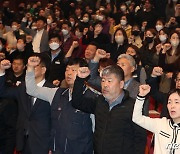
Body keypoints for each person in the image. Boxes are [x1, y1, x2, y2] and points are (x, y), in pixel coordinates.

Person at [25, 57, 98, 154]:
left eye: (73, 70)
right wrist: (30, 68)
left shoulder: (92, 98)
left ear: (84, 73)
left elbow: (96, 130)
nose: (69, 73)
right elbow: (31, 90)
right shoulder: (56, 93)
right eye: (67, 70)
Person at [71, 65, 146, 154]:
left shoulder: (134, 107)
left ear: (121, 84)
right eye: (103, 80)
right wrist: (80, 79)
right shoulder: (99, 102)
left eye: (109, 81)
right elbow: (77, 102)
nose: (105, 85)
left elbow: (140, 140)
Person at [0, 54, 54, 154]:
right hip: (22, 141)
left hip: (42, 142)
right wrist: (2, 71)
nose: (30, 68)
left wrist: (52, 145)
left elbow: (55, 120)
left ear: (43, 70)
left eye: (34, 65)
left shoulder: (52, 90)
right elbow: (2, 92)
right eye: (29, 66)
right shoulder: (22, 87)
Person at [132, 84, 180, 154]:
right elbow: (137, 118)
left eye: (176, 102)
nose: (172, 106)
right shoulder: (160, 124)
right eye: (169, 102)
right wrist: (141, 96)